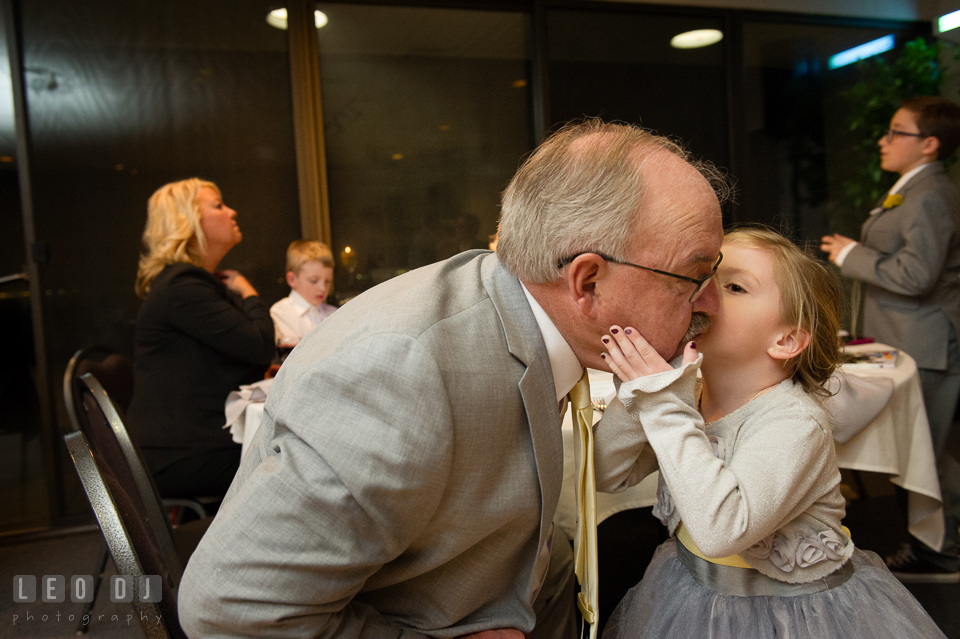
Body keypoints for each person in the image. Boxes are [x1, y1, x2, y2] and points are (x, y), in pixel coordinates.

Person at [177, 120, 729, 639]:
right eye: (693, 275)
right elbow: (232, 610)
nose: (710, 302)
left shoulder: (517, 308)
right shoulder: (403, 376)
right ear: (586, 282)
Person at [596, 228, 945, 638]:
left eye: (735, 286)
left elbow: (722, 530)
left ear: (786, 339)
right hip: (693, 595)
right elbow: (608, 474)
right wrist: (638, 392)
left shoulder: (795, 422)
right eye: (704, 277)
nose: (703, 293)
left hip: (797, 618)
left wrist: (660, 404)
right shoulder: (688, 394)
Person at [820, 96, 960, 582]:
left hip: (927, 343)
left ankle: (945, 554)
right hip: (907, 339)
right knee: (922, 450)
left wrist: (851, 253)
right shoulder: (912, 189)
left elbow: (916, 276)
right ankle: (929, 544)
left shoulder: (930, 194)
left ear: (929, 144)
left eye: (895, 132)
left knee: (931, 453)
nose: (884, 140)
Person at [127, 178, 275, 500]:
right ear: (187, 222)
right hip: (178, 455)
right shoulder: (182, 286)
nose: (232, 211)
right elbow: (260, 346)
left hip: (187, 445)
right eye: (218, 205)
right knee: (296, 461)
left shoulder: (188, 284)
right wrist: (249, 292)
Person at [270, 239, 338, 343]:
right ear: (292, 279)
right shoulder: (281, 312)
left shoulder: (334, 313)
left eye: (327, 281)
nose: (323, 288)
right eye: (313, 281)